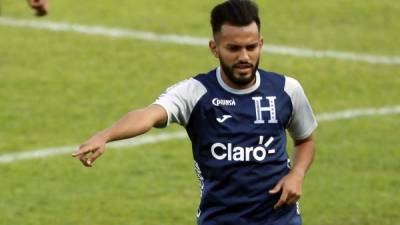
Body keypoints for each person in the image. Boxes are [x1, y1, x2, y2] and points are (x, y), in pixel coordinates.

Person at [72, 0, 317, 224]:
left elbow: (305, 140)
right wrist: (106, 135)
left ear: (261, 44)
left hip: (279, 219)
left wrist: (297, 173)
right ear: (214, 48)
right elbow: (148, 115)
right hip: (220, 219)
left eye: (251, 47)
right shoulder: (195, 92)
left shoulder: (286, 89)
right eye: (233, 48)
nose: (244, 57)